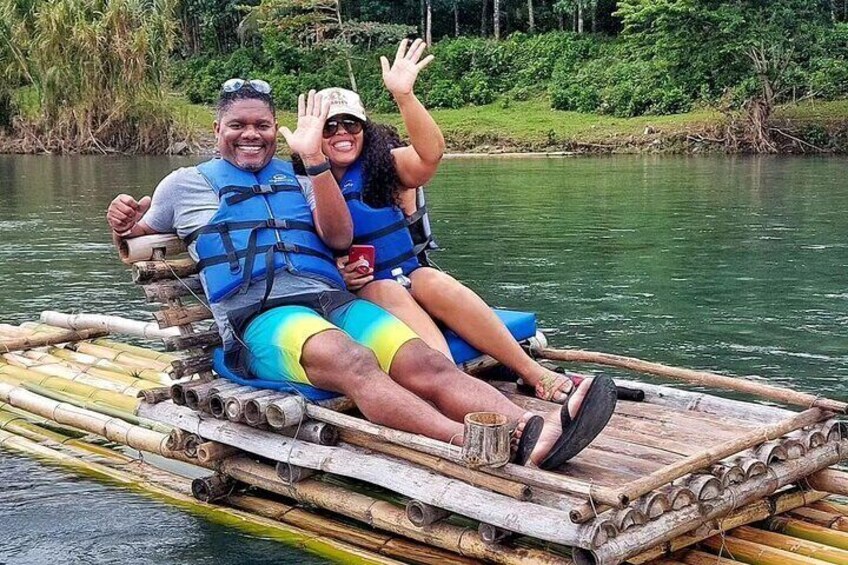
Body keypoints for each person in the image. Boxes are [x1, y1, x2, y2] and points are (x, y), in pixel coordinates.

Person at [106, 77, 616, 469]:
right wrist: (121, 223)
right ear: (218, 129)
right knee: (352, 359)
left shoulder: (301, 172)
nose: (251, 135)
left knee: (424, 361)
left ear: (274, 128)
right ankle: (471, 441)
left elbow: (336, 237)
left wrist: (313, 163)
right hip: (260, 321)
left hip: (333, 302)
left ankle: (534, 428)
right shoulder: (182, 185)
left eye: (261, 125)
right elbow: (135, 243)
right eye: (238, 125)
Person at [302, 38, 580, 403]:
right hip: (358, 292)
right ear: (313, 134)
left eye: (351, 124)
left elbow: (430, 154)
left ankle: (533, 373)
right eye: (330, 126)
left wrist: (405, 96)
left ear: (364, 130)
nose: (341, 133)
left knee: (430, 278)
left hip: (407, 276)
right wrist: (337, 275)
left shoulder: (381, 166)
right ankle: (459, 390)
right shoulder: (300, 185)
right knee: (386, 289)